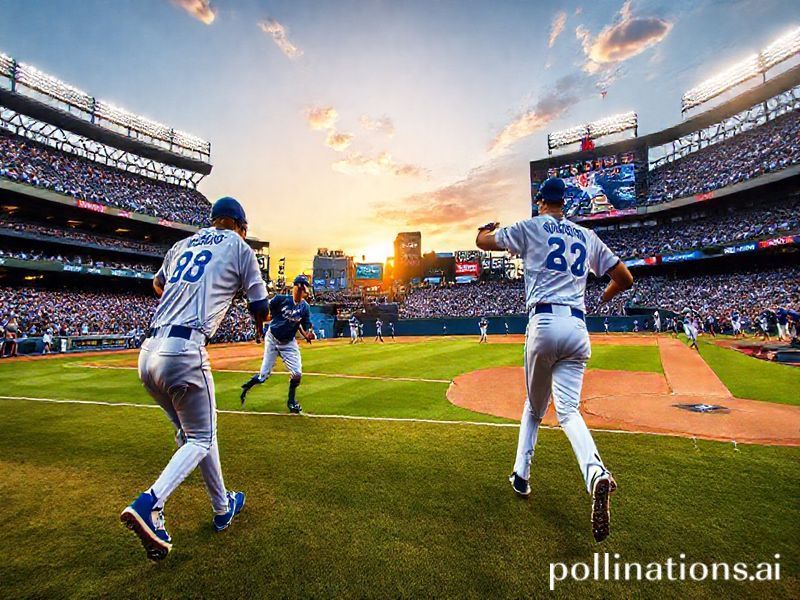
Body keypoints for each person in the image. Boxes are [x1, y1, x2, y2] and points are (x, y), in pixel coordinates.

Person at [476, 176, 633, 543]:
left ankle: (521, 476)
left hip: (543, 322)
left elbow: (483, 243)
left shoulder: (531, 227)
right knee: (569, 412)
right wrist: (604, 298)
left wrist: (484, 229)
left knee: (534, 408)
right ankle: (595, 474)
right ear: (565, 201)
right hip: (577, 327)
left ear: (539, 201)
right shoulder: (586, 236)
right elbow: (624, 277)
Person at [120, 197, 268, 561]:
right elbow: (261, 307)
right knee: (201, 436)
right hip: (184, 351)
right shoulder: (240, 247)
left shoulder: (182, 244)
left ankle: (222, 507)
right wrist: (250, 316)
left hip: (148, 353)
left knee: (198, 433)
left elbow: (158, 284)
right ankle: (150, 504)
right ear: (240, 226)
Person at [240, 275, 315, 413]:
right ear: (295, 287)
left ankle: (291, 402)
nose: (302, 292)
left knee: (297, 374)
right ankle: (247, 387)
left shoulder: (305, 307)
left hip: (288, 343)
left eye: (303, 289)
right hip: (272, 339)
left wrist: (308, 334)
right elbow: (264, 314)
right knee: (263, 376)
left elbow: (303, 323)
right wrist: (258, 330)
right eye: (300, 288)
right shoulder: (280, 300)